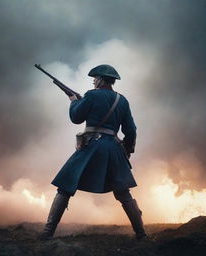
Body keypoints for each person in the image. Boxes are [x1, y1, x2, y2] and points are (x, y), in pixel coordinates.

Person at [40, 64, 146, 241]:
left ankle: (47, 233)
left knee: (65, 187)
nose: (94, 81)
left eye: (95, 78)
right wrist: (127, 150)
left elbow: (76, 118)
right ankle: (141, 234)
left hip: (91, 145)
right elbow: (131, 130)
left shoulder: (91, 95)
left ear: (101, 79)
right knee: (123, 193)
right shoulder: (122, 100)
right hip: (113, 148)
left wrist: (74, 100)